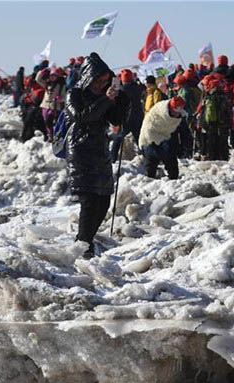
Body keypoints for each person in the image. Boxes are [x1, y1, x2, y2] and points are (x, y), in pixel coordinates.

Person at [65, 52, 129, 258]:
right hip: (81, 151)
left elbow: (116, 119)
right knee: (89, 199)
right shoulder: (74, 94)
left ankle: (86, 240)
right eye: (98, 79)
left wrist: (121, 99)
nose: (102, 83)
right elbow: (83, 117)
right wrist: (106, 99)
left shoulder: (104, 96)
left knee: (103, 200)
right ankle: (84, 244)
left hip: (100, 150)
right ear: (88, 77)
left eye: (105, 80)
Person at [138, 96, 185, 180]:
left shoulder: (179, 116)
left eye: (179, 111)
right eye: (175, 111)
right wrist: (163, 141)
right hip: (150, 140)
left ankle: (173, 181)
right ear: (170, 108)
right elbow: (149, 131)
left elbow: (182, 130)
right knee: (150, 168)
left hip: (166, 138)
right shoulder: (157, 114)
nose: (177, 114)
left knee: (172, 164)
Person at [111, 69, 145, 163]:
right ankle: (145, 156)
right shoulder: (138, 87)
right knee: (139, 139)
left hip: (126, 118)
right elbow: (143, 87)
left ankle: (112, 158)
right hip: (138, 117)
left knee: (118, 138)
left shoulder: (122, 90)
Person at [197, 73, 232, 161]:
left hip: (211, 122)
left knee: (211, 140)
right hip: (223, 122)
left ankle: (212, 157)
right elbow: (227, 109)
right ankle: (223, 157)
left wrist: (201, 122)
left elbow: (205, 111)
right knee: (223, 140)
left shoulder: (209, 96)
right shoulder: (223, 96)